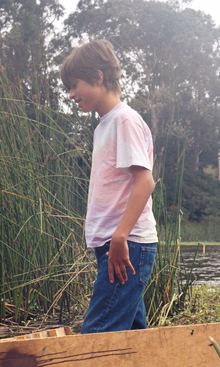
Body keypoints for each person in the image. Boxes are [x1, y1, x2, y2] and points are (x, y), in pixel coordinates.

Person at [60, 39, 158, 334]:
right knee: (133, 337)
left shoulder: (124, 120)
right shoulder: (104, 125)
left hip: (127, 244)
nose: (71, 94)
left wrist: (120, 236)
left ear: (97, 77)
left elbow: (145, 182)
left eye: (74, 85)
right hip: (116, 244)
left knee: (97, 335)